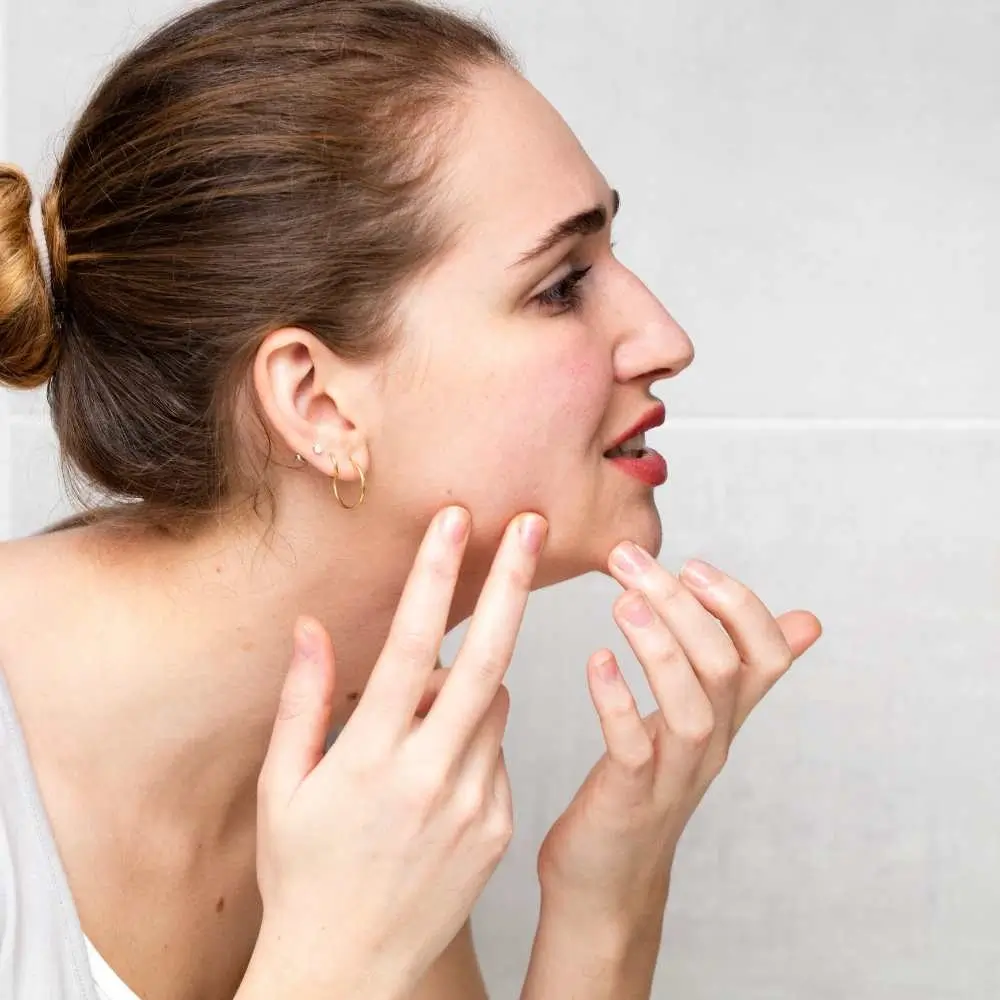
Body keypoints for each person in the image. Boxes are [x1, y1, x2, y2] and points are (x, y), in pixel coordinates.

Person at [0, 1, 823, 998]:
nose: (664, 337)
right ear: (315, 399)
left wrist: (608, 895)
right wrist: (328, 958)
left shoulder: (374, 761)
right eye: (561, 285)